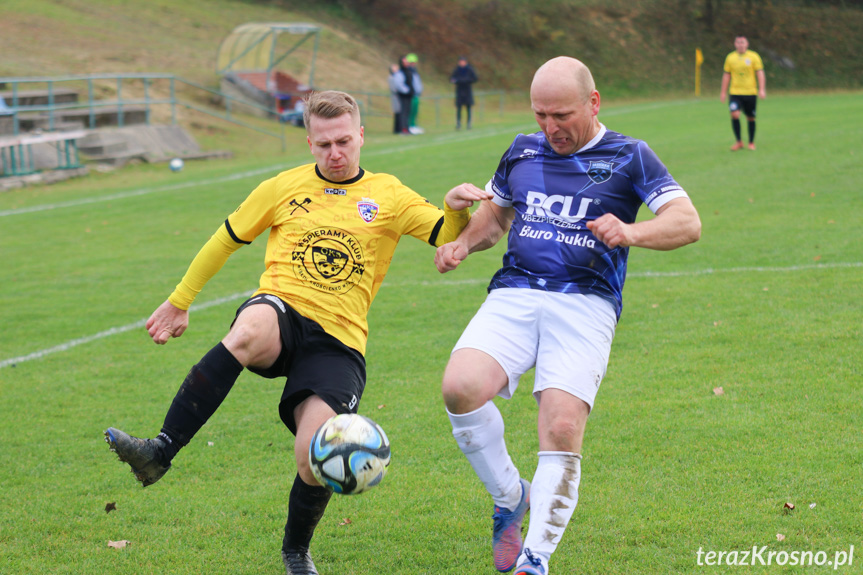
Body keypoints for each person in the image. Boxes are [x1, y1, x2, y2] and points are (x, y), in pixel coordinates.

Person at [104, 90, 491, 575]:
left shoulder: (388, 194)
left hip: (339, 343)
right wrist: (180, 301)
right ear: (309, 142)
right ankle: (159, 452)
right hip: (282, 314)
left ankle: (295, 553)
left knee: (313, 456)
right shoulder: (282, 187)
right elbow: (224, 241)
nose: (335, 152)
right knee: (250, 327)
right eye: (324, 143)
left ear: (361, 136)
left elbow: (445, 233)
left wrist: (455, 207)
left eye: (344, 141)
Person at [434, 57, 701, 575]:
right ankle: (512, 496)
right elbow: (498, 214)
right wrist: (463, 244)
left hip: (586, 301)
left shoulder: (630, 156)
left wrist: (631, 231)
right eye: (540, 116)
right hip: (514, 293)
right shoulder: (521, 149)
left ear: (593, 103)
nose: (550, 128)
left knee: (559, 426)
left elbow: (686, 223)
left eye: (561, 115)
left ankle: (535, 560)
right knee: (459, 388)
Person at [720, 35, 766, 151]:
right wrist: (723, 92)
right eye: (738, 42)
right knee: (734, 114)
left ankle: (751, 142)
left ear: (747, 44)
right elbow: (726, 75)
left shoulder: (753, 56)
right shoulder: (730, 58)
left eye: (742, 42)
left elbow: (759, 73)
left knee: (751, 117)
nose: (740, 44)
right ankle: (739, 141)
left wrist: (761, 89)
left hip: (750, 92)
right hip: (735, 92)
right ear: (735, 44)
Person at [450, 56, 478, 130]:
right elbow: (452, 79)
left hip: (467, 91)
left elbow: (475, 78)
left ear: (466, 62)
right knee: (459, 108)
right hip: (459, 91)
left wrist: (467, 80)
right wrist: (458, 81)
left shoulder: (469, 70)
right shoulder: (457, 70)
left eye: (463, 62)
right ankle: (458, 124)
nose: (462, 63)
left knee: (468, 107)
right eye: (460, 62)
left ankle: (469, 123)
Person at [404, 53, 424, 134]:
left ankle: (413, 125)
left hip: (416, 95)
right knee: (410, 111)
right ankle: (409, 126)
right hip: (411, 95)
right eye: (411, 62)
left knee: (415, 111)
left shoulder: (415, 71)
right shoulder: (407, 72)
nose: (413, 64)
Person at [396, 55, 415, 135]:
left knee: (408, 112)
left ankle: (407, 127)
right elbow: (399, 84)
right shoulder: (400, 72)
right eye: (404, 62)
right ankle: (403, 128)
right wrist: (407, 91)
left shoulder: (409, 71)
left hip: (409, 95)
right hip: (403, 96)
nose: (406, 63)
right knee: (403, 112)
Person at [388, 63, 406, 134]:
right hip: (396, 96)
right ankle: (397, 129)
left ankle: (399, 128)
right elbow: (394, 88)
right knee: (398, 112)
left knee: (399, 112)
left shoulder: (395, 76)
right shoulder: (391, 77)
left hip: (397, 96)